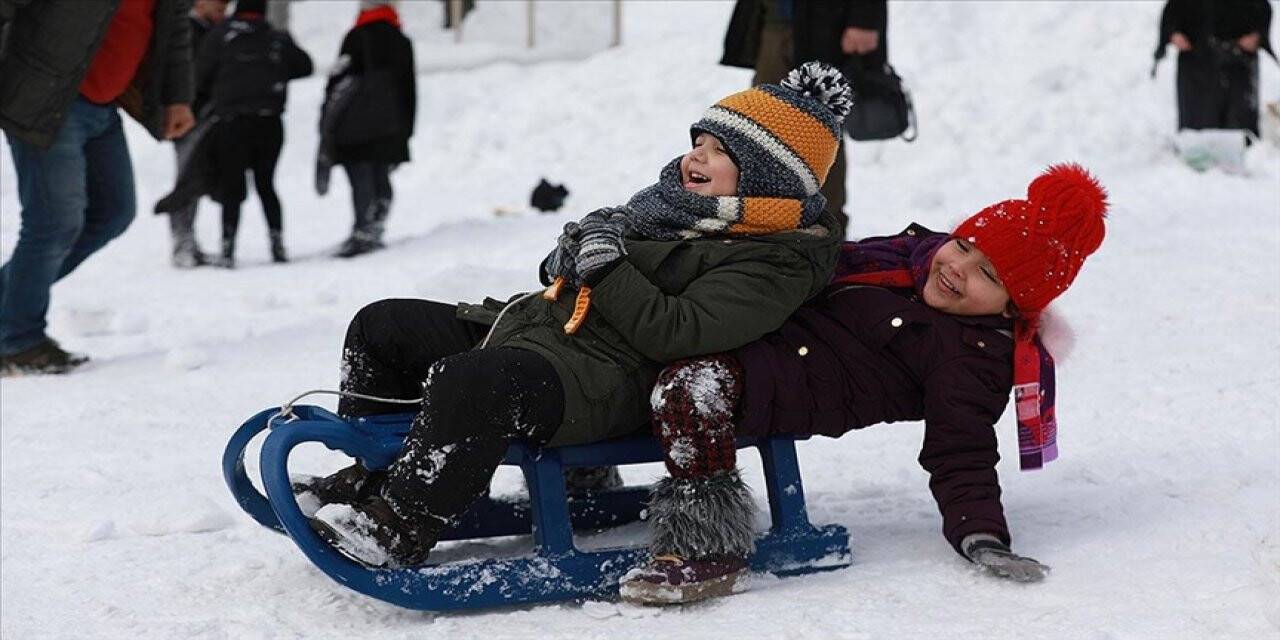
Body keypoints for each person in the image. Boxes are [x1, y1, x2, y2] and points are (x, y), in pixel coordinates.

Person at [297, 62, 853, 568]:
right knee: (384, 325)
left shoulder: (776, 258)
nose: (694, 157)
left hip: (602, 380)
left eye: (718, 151)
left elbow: (679, 333)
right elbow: (572, 270)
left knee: (473, 381)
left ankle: (400, 525)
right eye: (697, 142)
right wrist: (572, 253)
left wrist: (605, 266)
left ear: (767, 176)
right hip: (545, 333)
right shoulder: (670, 208)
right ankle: (374, 478)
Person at [618, 164, 1109, 605]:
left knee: (687, 391)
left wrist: (980, 534)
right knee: (623, 339)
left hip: (784, 383)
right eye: (962, 245)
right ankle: (580, 476)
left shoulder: (972, 359)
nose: (956, 268)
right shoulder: (904, 258)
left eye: (986, 274)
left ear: (1011, 305)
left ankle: (710, 547)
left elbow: (962, 449)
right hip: (759, 329)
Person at [0, 0, 195, 376]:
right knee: (54, 222)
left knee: (113, 212)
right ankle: (17, 340)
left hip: (103, 102)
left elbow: (174, 27)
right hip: (45, 97)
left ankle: (10, 308)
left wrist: (177, 97)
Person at [720, 0, 888, 236]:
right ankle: (763, 223)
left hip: (826, 25)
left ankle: (826, 229)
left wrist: (865, 15)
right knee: (762, 127)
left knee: (820, 130)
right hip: (775, 22)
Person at [196, 0, 312, 268]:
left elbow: (201, 77)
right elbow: (304, 66)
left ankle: (228, 250)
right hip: (269, 122)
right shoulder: (275, 38)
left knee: (231, 188)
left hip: (231, 123)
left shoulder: (221, 36)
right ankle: (277, 244)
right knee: (266, 185)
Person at [323, 0, 417, 259]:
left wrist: (328, 123)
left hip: (356, 126)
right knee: (380, 176)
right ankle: (376, 227)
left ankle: (363, 231)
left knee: (361, 179)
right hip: (390, 124)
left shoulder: (355, 37)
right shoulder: (400, 39)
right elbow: (409, 89)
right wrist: (406, 129)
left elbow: (338, 81)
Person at [1154, 0, 1275, 138]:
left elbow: (1263, 9)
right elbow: (1172, 11)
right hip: (1197, 61)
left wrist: (1257, 36)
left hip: (1239, 63)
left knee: (1239, 132)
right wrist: (1173, 33)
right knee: (1199, 132)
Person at [167, 0, 229, 269]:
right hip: (190, 118)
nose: (222, 11)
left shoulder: (216, 31)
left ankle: (188, 243)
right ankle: (182, 244)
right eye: (218, 4)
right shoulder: (186, 31)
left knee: (198, 181)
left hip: (212, 116)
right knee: (186, 182)